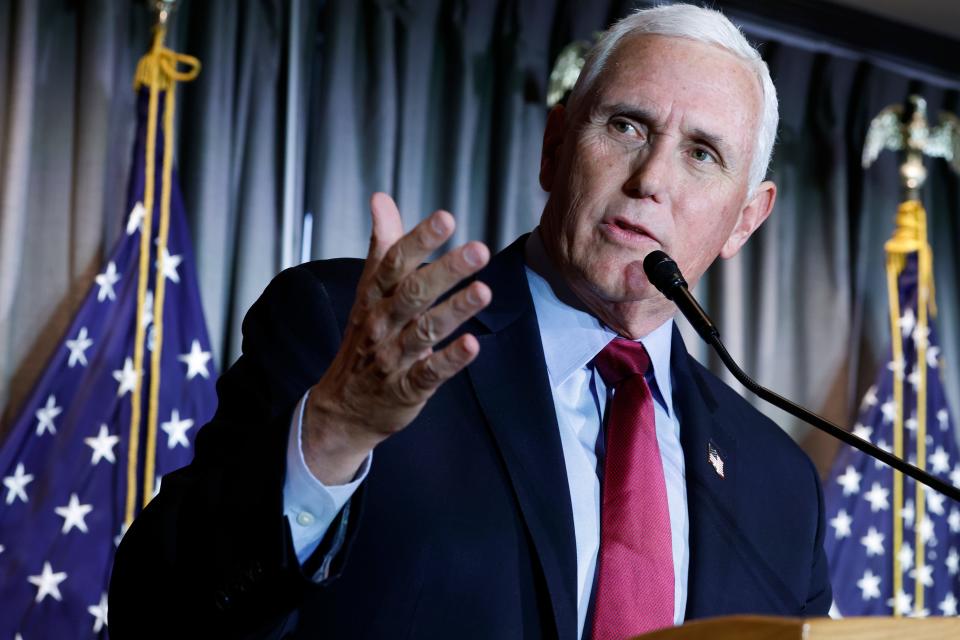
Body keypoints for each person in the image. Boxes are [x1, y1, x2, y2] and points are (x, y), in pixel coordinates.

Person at [110, 5, 832, 639]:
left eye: (702, 154)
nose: (651, 181)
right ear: (555, 148)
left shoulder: (780, 487)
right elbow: (157, 616)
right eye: (625, 126)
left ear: (745, 219)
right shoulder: (359, 337)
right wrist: (333, 432)